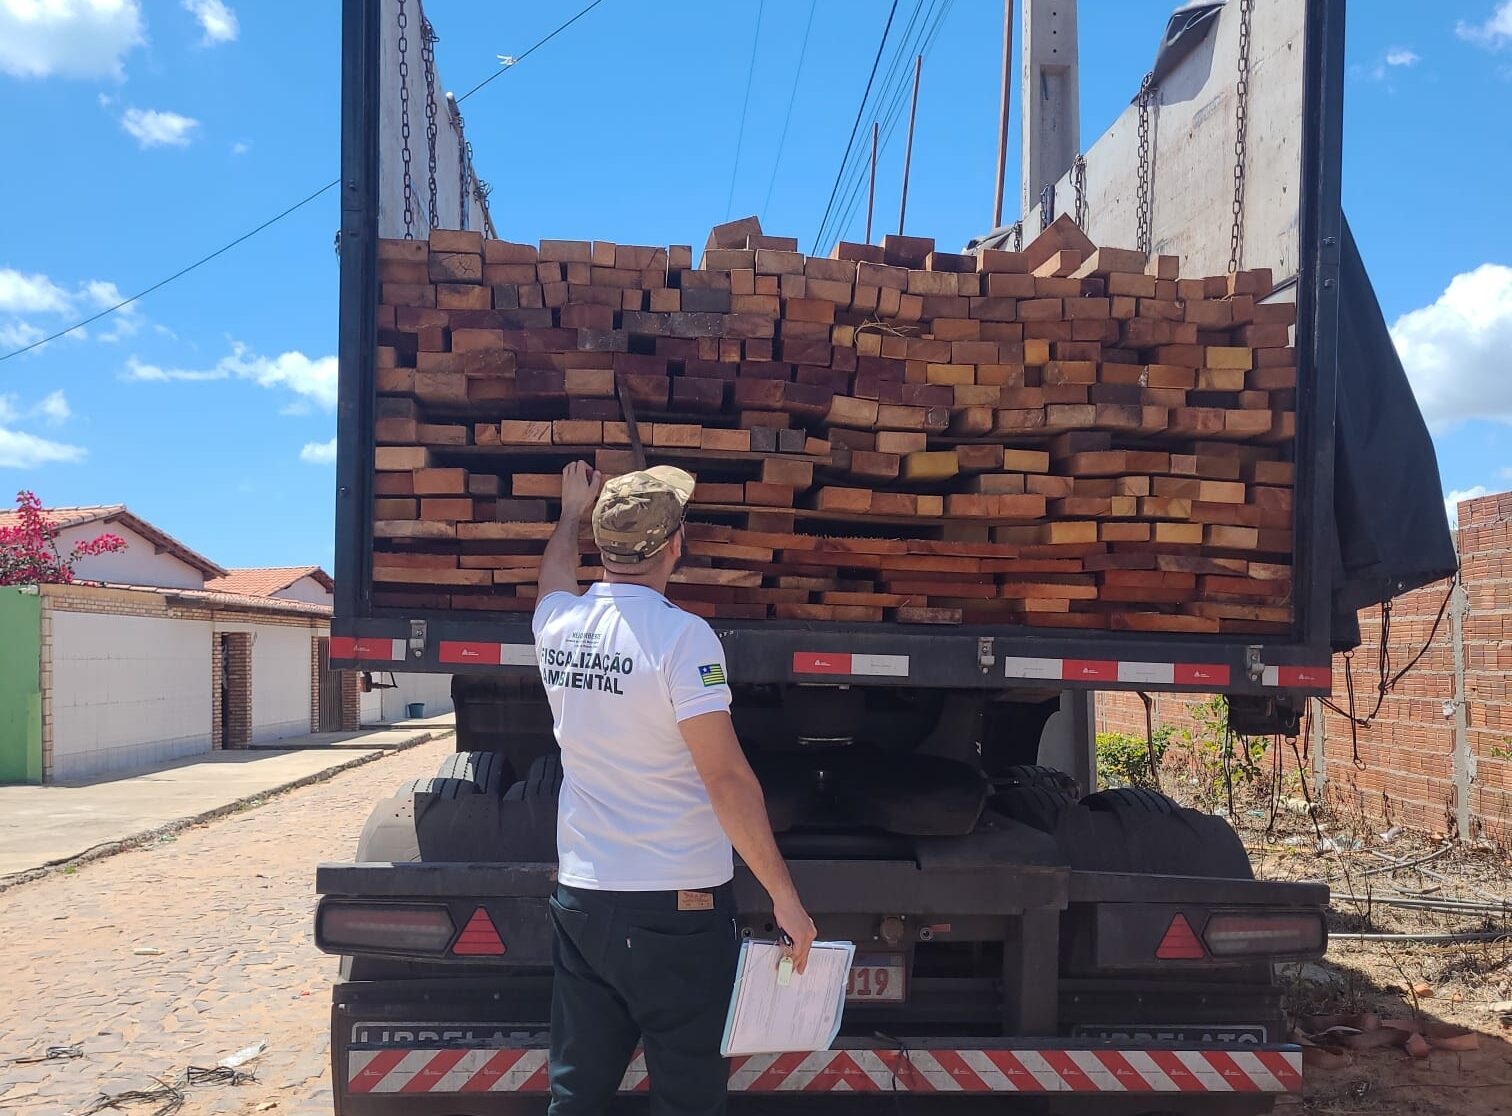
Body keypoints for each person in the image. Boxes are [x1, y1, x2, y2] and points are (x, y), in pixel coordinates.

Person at [532, 459, 817, 1116]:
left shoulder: (558, 627)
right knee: (687, 1094)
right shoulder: (682, 639)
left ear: (603, 546)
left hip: (583, 900)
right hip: (677, 911)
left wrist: (571, 513)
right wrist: (785, 899)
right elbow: (726, 780)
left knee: (576, 1092)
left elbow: (552, 577)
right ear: (672, 547)